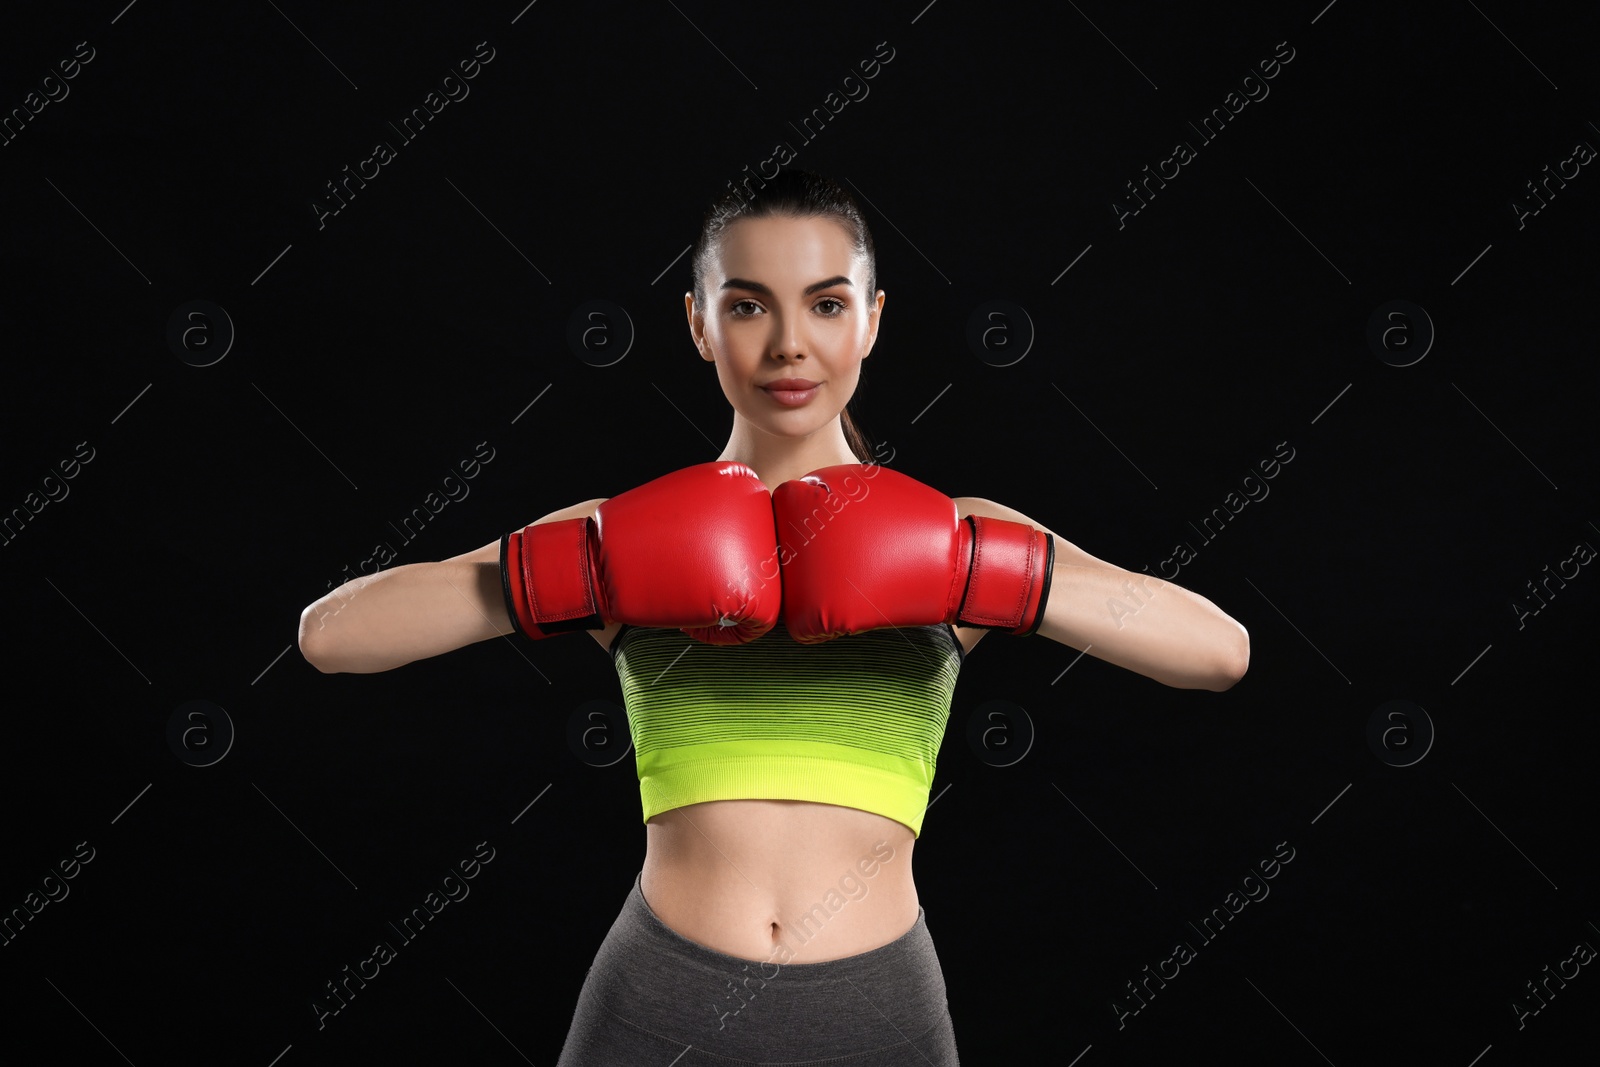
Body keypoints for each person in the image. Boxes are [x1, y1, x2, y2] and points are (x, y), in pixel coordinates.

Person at [297, 170, 1250, 1064]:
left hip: (880, 1008)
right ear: (699, 326)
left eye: (827, 304)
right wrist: (582, 569)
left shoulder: (964, 532)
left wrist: (980, 572)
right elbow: (330, 637)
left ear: (872, 322)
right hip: (656, 994)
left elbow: (1219, 653)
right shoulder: (613, 535)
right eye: (747, 304)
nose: (789, 343)